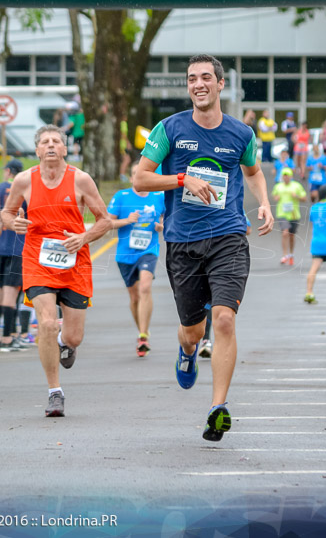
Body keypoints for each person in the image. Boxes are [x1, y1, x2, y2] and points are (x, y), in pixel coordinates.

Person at [134, 54, 274, 442]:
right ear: (188, 86)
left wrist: (262, 201)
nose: (199, 83)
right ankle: (187, 350)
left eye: (206, 77)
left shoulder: (241, 134)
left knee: (225, 319)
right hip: (182, 241)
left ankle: (217, 407)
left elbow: (253, 171)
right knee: (192, 330)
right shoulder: (169, 129)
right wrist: (182, 180)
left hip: (229, 235)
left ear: (220, 84)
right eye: (192, 78)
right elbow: (139, 179)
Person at [1, 125, 112, 417]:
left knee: (73, 336)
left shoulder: (82, 180)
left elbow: (104, 221)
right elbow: (6, 213)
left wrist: (83, 238)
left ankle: (64, 343)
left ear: (65, 149)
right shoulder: (25, 180)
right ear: (37, 150)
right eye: (45, 142)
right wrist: (14, 223)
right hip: (37, 262)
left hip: (74, 264)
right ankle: (54, 392)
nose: (51, 146)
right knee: (48, 324)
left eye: (56, 142)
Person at [108, 162, 165, 357]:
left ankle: (143, 336)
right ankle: (142, 328)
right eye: (134, 173)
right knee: (134, 297)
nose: (137, 176)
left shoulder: (159, 196)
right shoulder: (121, 197)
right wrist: (126, 221)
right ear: (132, 177)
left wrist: (161, 226)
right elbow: (107, 222)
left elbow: (167, 218)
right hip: (125, 254)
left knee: (145, 287)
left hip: (149, 250)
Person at [0, 159, 26, 352]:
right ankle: (9, 338)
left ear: (8, 171)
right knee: (10, 293)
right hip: (17, 248)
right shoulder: (24, 190)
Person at [272, 167, 306, 266]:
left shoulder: (297, 186)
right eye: (284, 176)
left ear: (291, 176)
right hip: (282, 213)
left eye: (287, 176)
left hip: (294, 214)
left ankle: (291, 254)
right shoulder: (278, 186)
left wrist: (297, 196)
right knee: (285, 233)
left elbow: (304, 198)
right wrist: (276, 198)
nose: (286, 177)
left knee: (291, 235)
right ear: (282, 176)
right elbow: (274, 196)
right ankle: (284, 255)